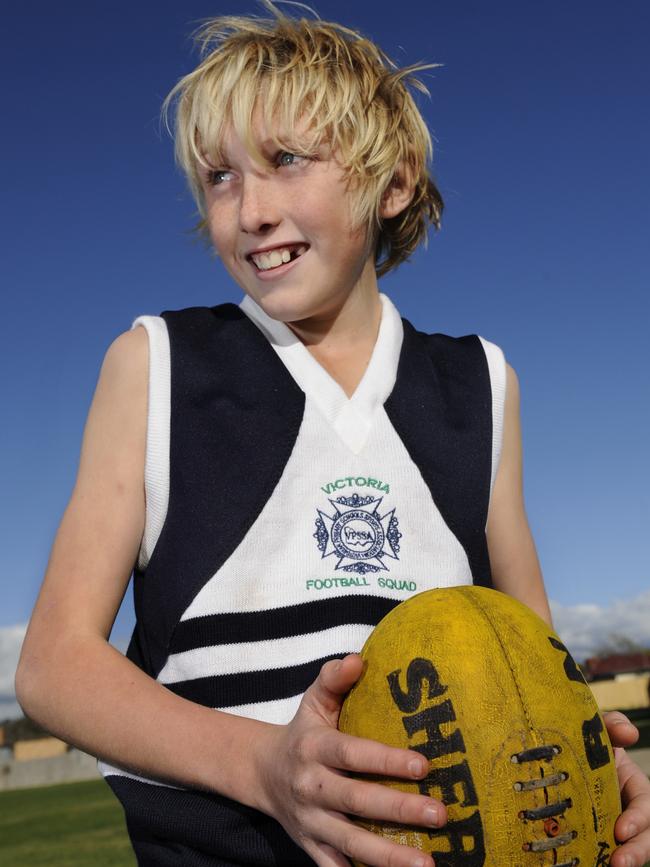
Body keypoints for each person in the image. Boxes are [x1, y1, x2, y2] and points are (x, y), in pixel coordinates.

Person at [15, 4, 650, 866]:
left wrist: (596, 775)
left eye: (284, 161)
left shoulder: (481, 384)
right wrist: (265, 764)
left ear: (391, 183)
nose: (249, 211)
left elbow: (532, 658)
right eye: (219, 178)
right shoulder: (156, 363)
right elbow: (52, 666)